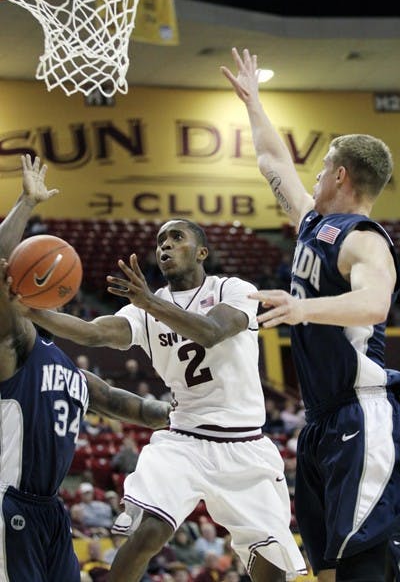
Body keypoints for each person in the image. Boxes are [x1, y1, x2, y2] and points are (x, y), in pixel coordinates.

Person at [27, 213, 307, 579]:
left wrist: (148, 303)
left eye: (176, 238)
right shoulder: (147, 308)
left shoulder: (232, 290)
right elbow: (91, 333)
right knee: (149, 533)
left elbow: (211, 331)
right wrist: (29, 309)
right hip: (184, 440)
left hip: (244, 444)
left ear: (202, 252)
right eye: (160, 242)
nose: (166, 246)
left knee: (271, 567)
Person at [221, 47, 400, 581]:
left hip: (361, 414)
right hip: (321, 420)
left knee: (364, 562)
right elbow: (273, 161)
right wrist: (253, 102)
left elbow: (374, 305)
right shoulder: (311, 226)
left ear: (341, 175)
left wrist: (303, 308)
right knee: (323, 566)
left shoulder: (366, 242)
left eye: (321, 167)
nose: (313, 176)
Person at [0, 154, 171, 582]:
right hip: (9, 502)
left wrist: (178, 416)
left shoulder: (67, 367)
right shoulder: (16, 345)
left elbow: (116, 401)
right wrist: (25, 203)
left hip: (51, 511)